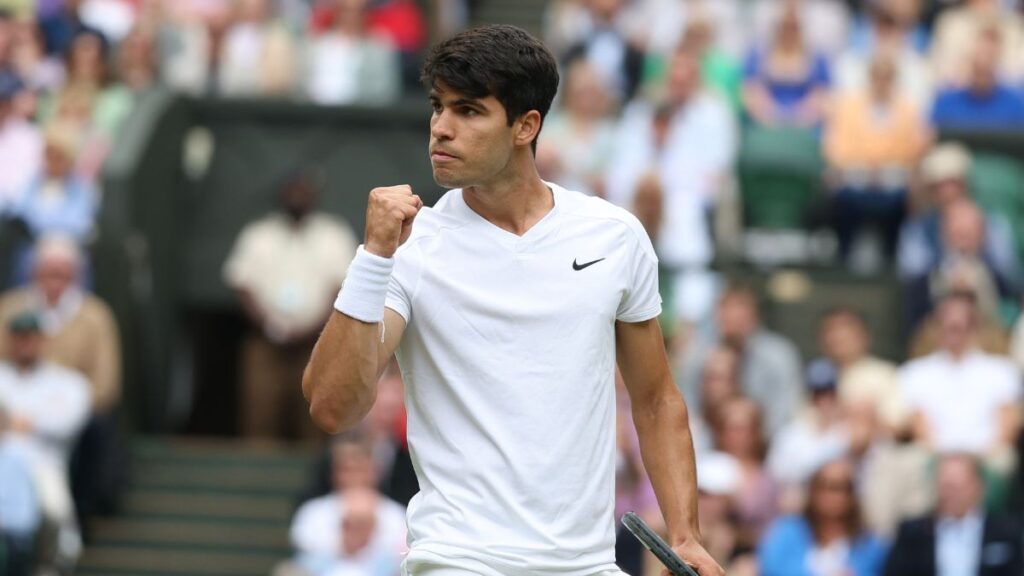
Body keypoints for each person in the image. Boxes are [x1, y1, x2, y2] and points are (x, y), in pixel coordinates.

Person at [302, 24, 722, 576]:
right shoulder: (410, 247)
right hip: (459, 560)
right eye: (437, 107)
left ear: (526, 126)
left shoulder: (614, 237)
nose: (441, 129)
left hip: (586, 565)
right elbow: (334, 407)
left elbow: (655, 400)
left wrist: (685, 534)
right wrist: (374, 256)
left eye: (468, 111)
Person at [224, 169, 357, 440]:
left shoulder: (334, 234)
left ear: (315, 196)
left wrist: (313, 328)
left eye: (304, 191)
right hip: (265, 342)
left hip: (318, 342)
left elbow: (342, 287)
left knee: (314, 416)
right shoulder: (258, 234)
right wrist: (271, 326)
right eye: (292, 191)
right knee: (260, 413)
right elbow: (241, 284)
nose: (298, 197)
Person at [899, 292, 1021, 463]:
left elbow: (1006, 425)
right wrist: (945, 462)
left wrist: (981, 459)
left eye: (961, 327)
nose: (955, 333)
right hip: (934, 457)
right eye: (950, 326)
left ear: (974, 328)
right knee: (913, 458)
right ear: (937, 327)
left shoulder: (1002, 370)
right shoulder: (914, 372)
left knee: (1004, 458)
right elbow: (919, 425)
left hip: (987, 457)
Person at [678, 284, 804, 436]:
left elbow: (786, 410)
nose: (733, 318)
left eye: (740, 310)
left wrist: (752, 443)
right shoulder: (698, 355)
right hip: (708, 443)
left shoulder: (779, 355)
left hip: (767, 443)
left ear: (754, 315)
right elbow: (687, 407)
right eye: (726, 310)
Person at [884, 453, 1024, 576]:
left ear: (978, 487)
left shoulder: (1007, 531)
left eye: (957, 487)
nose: (950, 495)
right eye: (945, 487)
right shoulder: (912, 532)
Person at [287, 433, 407, 574]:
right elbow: (304, 553)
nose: (354, 476)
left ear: (375, 471)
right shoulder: (313, 512)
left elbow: (401, 558)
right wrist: (346, 543)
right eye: (346, 469)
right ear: (334, 473)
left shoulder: (397, 515)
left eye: (361, 468)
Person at [758, 459, 888, 576]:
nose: (834, 496)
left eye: (842, 488)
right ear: (813, 491)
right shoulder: (787, 531)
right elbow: (770, 567)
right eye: (826, 486)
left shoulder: (869, 543)